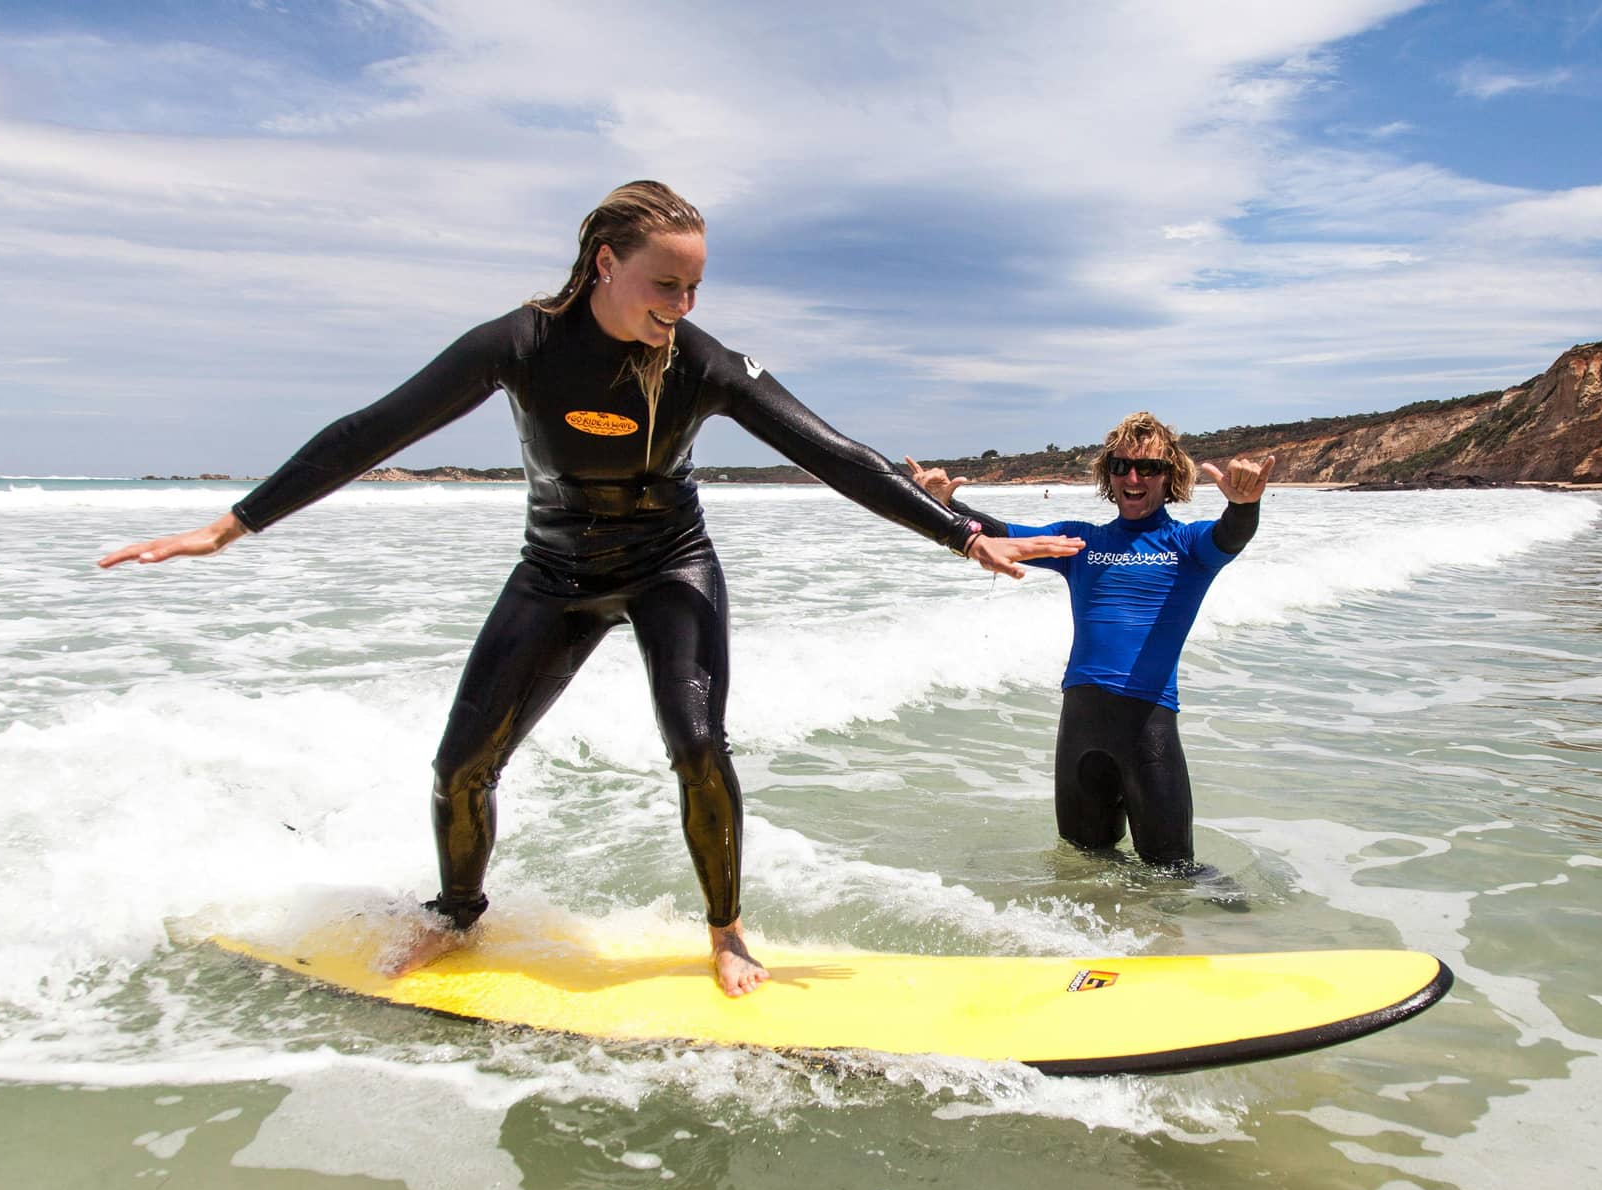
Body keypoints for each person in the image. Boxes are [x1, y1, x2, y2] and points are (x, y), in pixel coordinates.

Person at [98, 180, 1081, 997]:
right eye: (666, 283)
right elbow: (374, 429)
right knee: (460, 766)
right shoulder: (518, 344)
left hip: (669, 567)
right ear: (605, 261)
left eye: (695, 288)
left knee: (697, 744)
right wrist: (236, 522)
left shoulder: (700, 364)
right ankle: (455, 912)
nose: (682, 307)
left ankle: (728, 931)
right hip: (557, 572)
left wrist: (960, 533)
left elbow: (834, 452)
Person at [907, 412, 1272, 880]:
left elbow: (1231, 534)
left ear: (1171, 476)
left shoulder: (1187, 544)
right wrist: (942, 507)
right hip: (1079, 729)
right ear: (1108, 475)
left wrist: (1244, 506)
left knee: (1175, 875)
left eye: (1149, 468)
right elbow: (1001, 536)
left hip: (1148, 731)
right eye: (1120, 467)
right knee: (1081, 864)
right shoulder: (1082, 542)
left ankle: (1231, 941)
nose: (1133, 478)